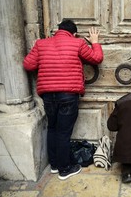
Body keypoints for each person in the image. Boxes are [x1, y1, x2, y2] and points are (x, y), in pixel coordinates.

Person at [23, 20, 104, 180]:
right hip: (68, 95)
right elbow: (97, 58)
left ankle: (54, 164)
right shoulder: (77, 43)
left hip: (48, 95)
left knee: (52, 128)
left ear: (58, 30)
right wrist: (95, 42)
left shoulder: (41, 44)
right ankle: (65, 169)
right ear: (73, 33)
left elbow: (28, 65)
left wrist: (35, 48)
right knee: (63, 132)